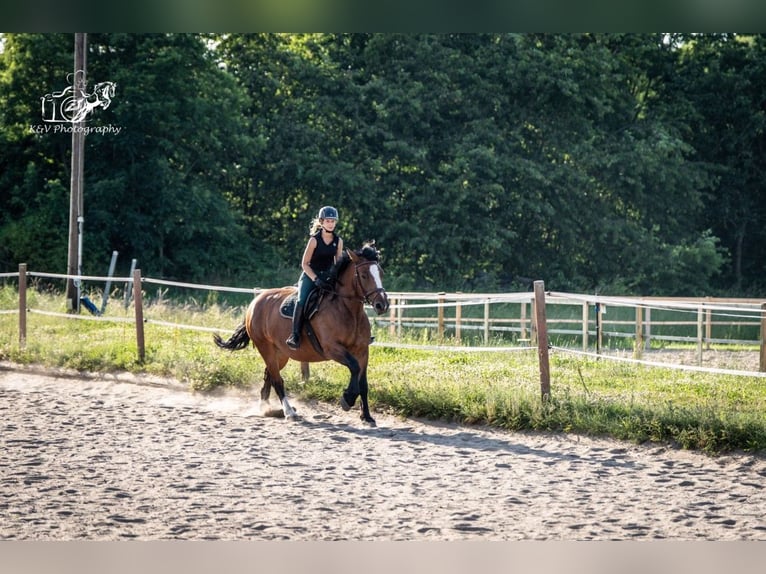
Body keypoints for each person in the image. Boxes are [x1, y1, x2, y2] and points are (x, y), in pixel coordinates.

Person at [285, 205, 344, 350]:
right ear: (322, 222)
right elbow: (304, 264)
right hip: (311, 275)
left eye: (333, 221)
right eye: (328, 221)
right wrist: (316, 279)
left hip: (328, 277)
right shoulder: (314, 240)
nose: (331, 223)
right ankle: (295, 335)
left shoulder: (338, 241)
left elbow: (338, 264)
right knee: (301, 300)